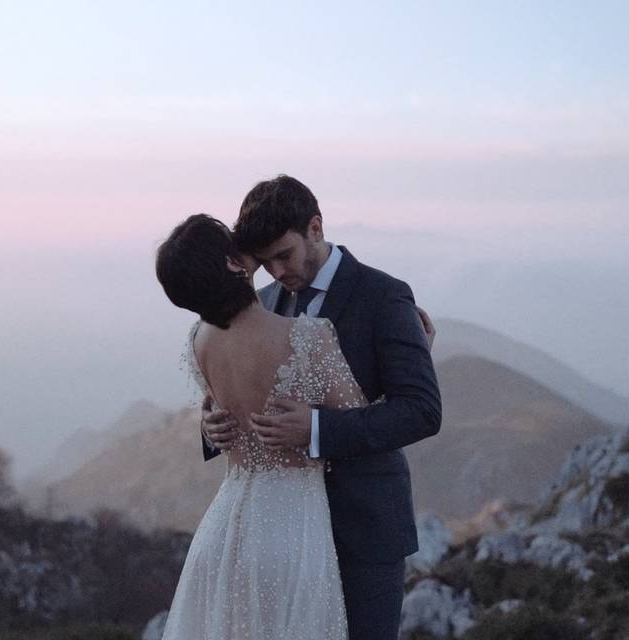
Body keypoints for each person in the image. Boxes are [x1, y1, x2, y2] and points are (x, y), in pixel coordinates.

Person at [202, 175, 442, 640]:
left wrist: (316, 429)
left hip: (364, 528)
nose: (275, 272)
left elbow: (421, 410)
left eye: (283, 255)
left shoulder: (383, 295)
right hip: (282, 531)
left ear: (315, 227)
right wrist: (213, 427)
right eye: (264, 261)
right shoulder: (263, 305)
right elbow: (238, 390)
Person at [156, 213, 371, 639]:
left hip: (225, 525)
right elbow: (359, 420)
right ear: (234, 266)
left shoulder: (198, 342)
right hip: (290, 527)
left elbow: (221, 409)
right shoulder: (307, 337)